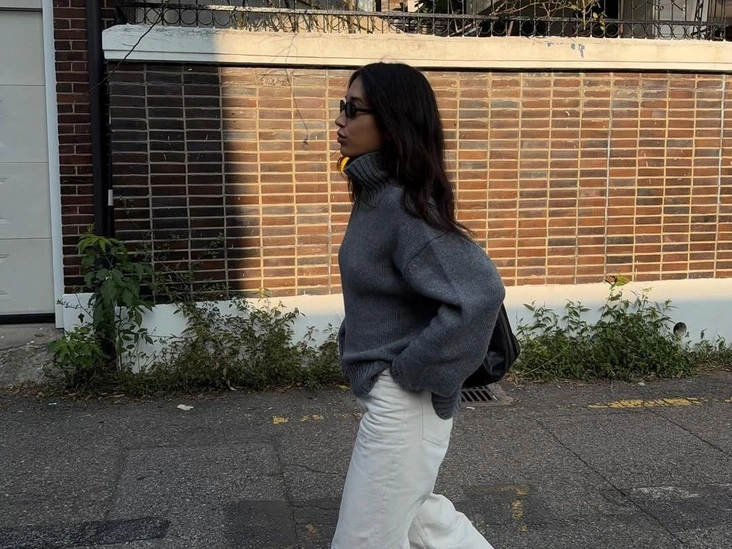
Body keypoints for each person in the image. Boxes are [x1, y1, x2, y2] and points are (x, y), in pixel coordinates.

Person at [332, 61, 506, 549]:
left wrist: (411, 371)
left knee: (362, 541)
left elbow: (480, 294)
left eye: (354, 109)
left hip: (405, 406)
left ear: (392, 121)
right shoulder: (376, 197)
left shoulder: (402, 207)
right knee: (423, 522)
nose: (340, 119)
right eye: (342, 106)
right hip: (393, 400)